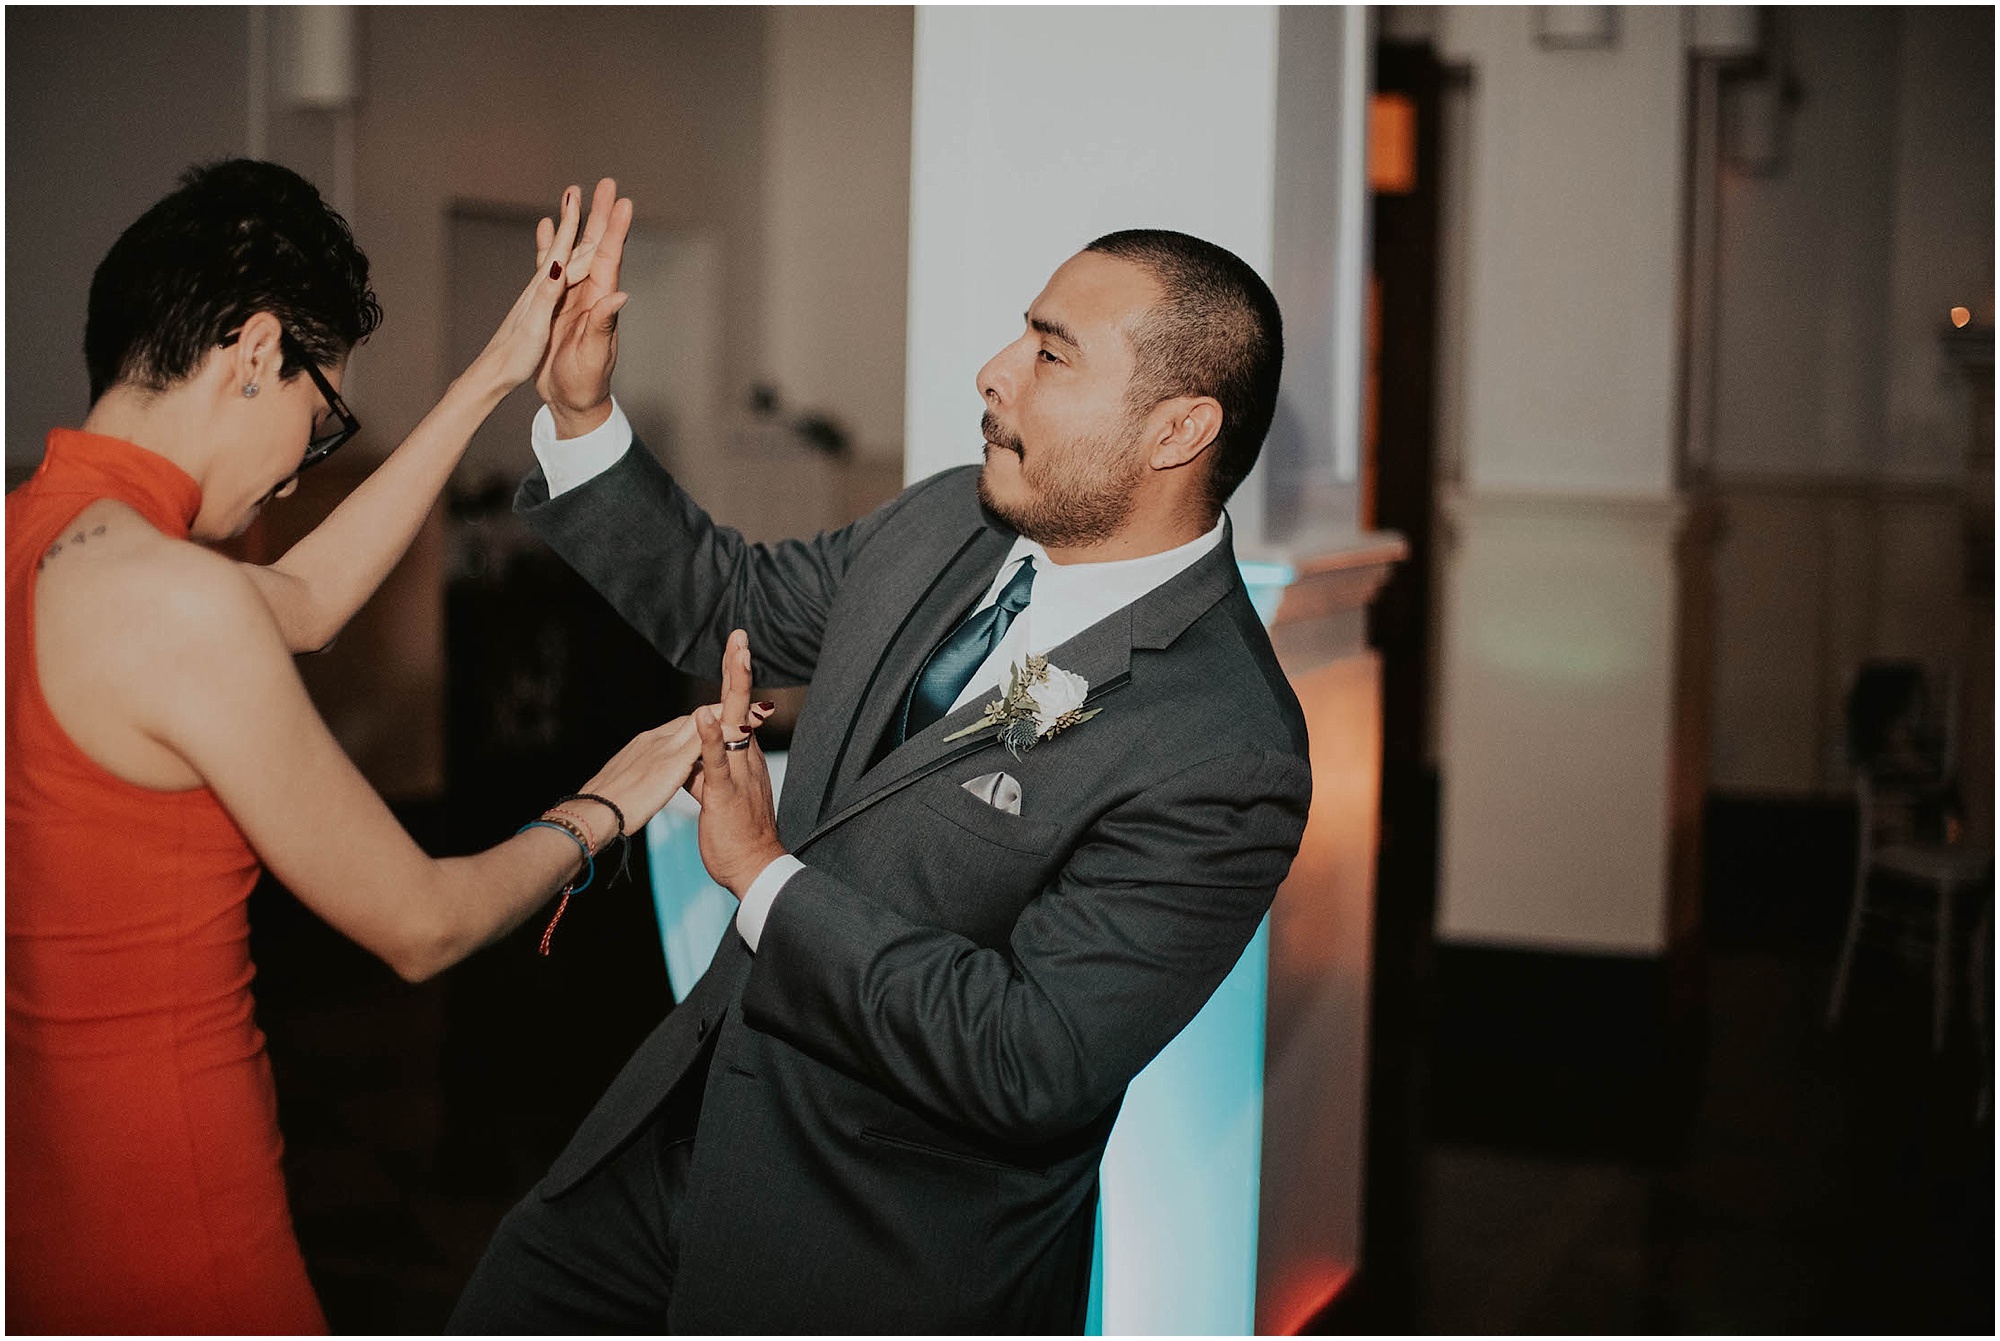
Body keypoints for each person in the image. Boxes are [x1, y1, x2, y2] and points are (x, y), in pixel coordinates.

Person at [449, 178, 1313, 1333]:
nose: (993, 372)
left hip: (875, 1255)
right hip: (663, 1149)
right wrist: (582, 413)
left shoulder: (1225, 743)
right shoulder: (946, 521)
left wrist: (763, 876)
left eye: (1050, 356)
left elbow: (1029, 1057)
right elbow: (730, 602)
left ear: (1177, 429)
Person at [4, 161, 764, 1334]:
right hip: (171, 1225)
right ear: (255, 351)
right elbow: (421, 924)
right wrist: (606, 803)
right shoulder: (173, 599)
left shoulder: (41, 544)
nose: (299, 470)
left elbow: (301, 602)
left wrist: (497, 374)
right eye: (320, 421)